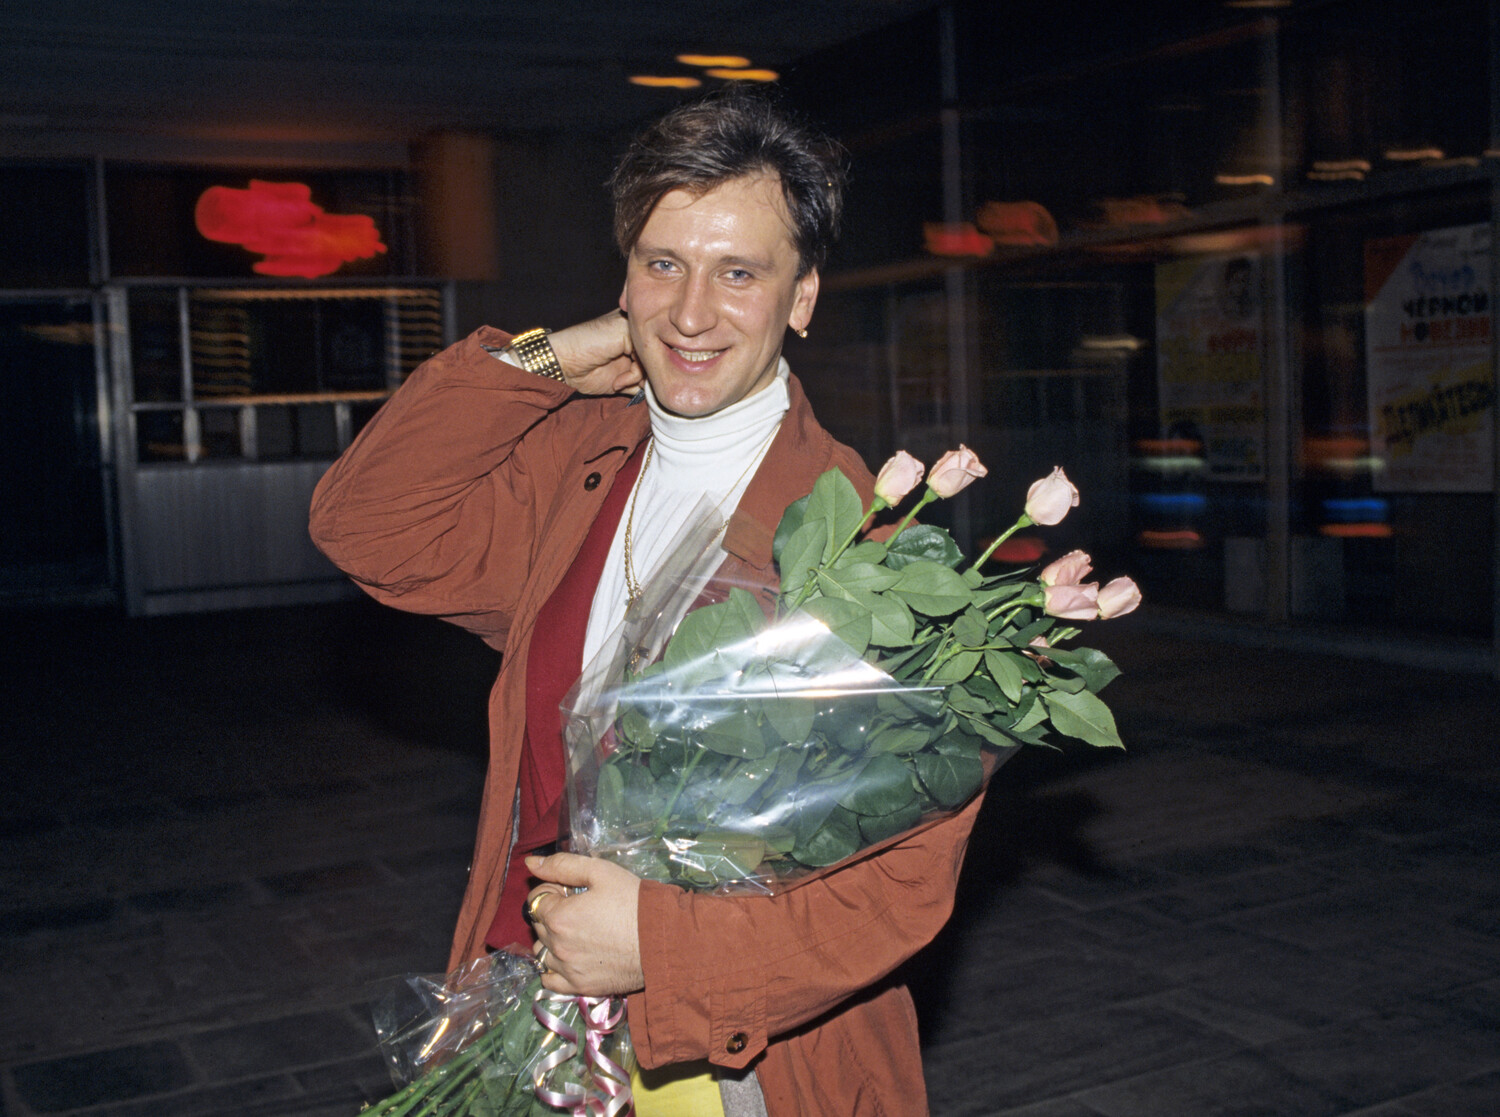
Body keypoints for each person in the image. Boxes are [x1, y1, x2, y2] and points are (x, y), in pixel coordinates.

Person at [310, 86, 985, 1117]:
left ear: (803, 296)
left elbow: (900, 885)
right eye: (663, 263)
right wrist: (551, 359)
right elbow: (367, 525)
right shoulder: (578, 463)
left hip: (739, 1060)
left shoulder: (866, 543)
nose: (692, 312)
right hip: (529, 1013)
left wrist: (658, 945)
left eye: (739, 272)